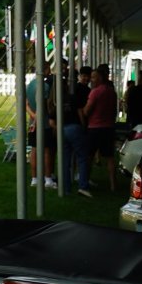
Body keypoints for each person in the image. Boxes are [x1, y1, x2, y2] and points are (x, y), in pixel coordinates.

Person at [82, 64, 118, 193]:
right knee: (110, 158)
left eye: (93, 77)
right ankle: (113, 185)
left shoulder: (95, 92)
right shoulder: (112, 92)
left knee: (89, 156)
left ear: (100, 78)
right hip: (109, 127)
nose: (91, 80)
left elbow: (87, 111)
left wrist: (82, 110)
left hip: (95, 128)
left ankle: (85, 182)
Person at [60, 69, 92, 197]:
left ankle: (66, 188)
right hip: (75, 128)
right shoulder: (73, 97)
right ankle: (83, 186)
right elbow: (80, 113)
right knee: (82, 158)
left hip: (62, 129)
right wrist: (83, 127)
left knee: (65, 161)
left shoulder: (57, 100)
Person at [25, 63, 56, 190]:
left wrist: (33, 117)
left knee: (34, 150)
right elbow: (42, 105)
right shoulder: (45, 86)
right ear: (45, 70)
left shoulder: (29, 85)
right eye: (49, 69)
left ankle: (34, 179)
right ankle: (48, 179)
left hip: (32, 123)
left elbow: (26, 104)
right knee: (47, 151)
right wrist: (37, 119)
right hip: (44, 123)